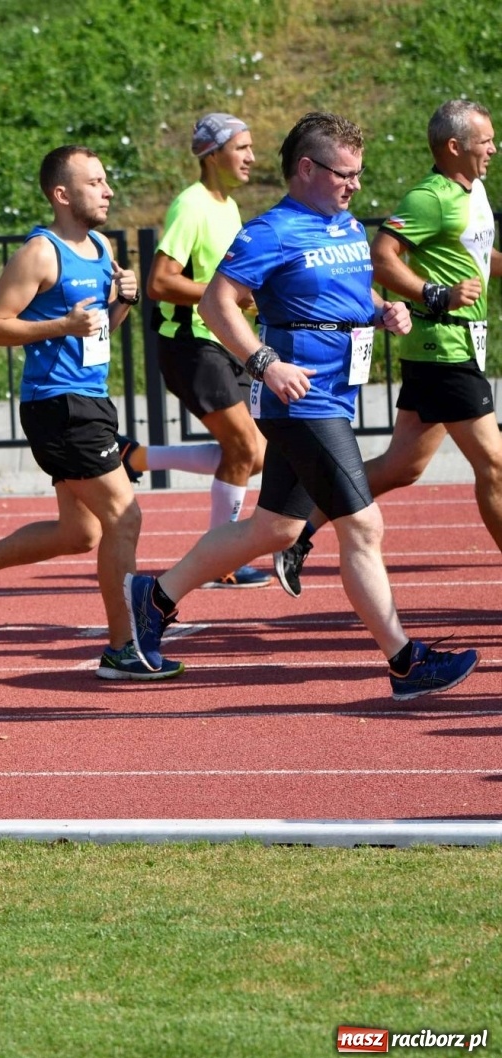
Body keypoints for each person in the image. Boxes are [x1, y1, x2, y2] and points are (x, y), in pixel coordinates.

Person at [123, 112, 479, 700]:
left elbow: (352, 290)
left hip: (335, 395)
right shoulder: (272, 232)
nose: (355, 185)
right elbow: (217, 303)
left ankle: (155, 596)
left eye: (360, 174)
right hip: (300, 399)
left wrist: (382, 311)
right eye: (346, 174)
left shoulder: (342, 227)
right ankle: (405, 662)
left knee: (275, 527)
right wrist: (265, 361)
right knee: (363, 526)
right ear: (308, 169)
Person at [0, 145, 167, 680]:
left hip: (87, 398)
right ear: (62, 194)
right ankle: (123, 648)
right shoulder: (41, 252)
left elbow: (96, 327)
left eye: (107, 181)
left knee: (78, 533)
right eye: (96, 182)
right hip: (58, 405)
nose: (108, 191)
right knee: (124, 517)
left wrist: (122, 302)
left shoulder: (102, 246)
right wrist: (61, 326)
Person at [275, 99, 502, 597]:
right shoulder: (429, 198)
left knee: (404, 466)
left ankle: (299, 530)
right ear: (454, 146)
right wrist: (433, 293)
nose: (492, 147)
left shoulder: (475, 191)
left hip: (461, 344)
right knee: (495, 465)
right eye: (485, 139)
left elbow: (479, 255)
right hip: (442, 345)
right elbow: (382, 256)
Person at [144, 113, 271, 588]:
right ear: (213, 154)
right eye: (242, 148)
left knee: (255, 454)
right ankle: (222, 558)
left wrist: (245, 297)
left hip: (222, 342)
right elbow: (159, 282)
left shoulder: (229, 207)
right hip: (190, 345)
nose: (251, 157)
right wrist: (221, 296)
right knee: (242, 446)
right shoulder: (191, 206)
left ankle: (140, 459)